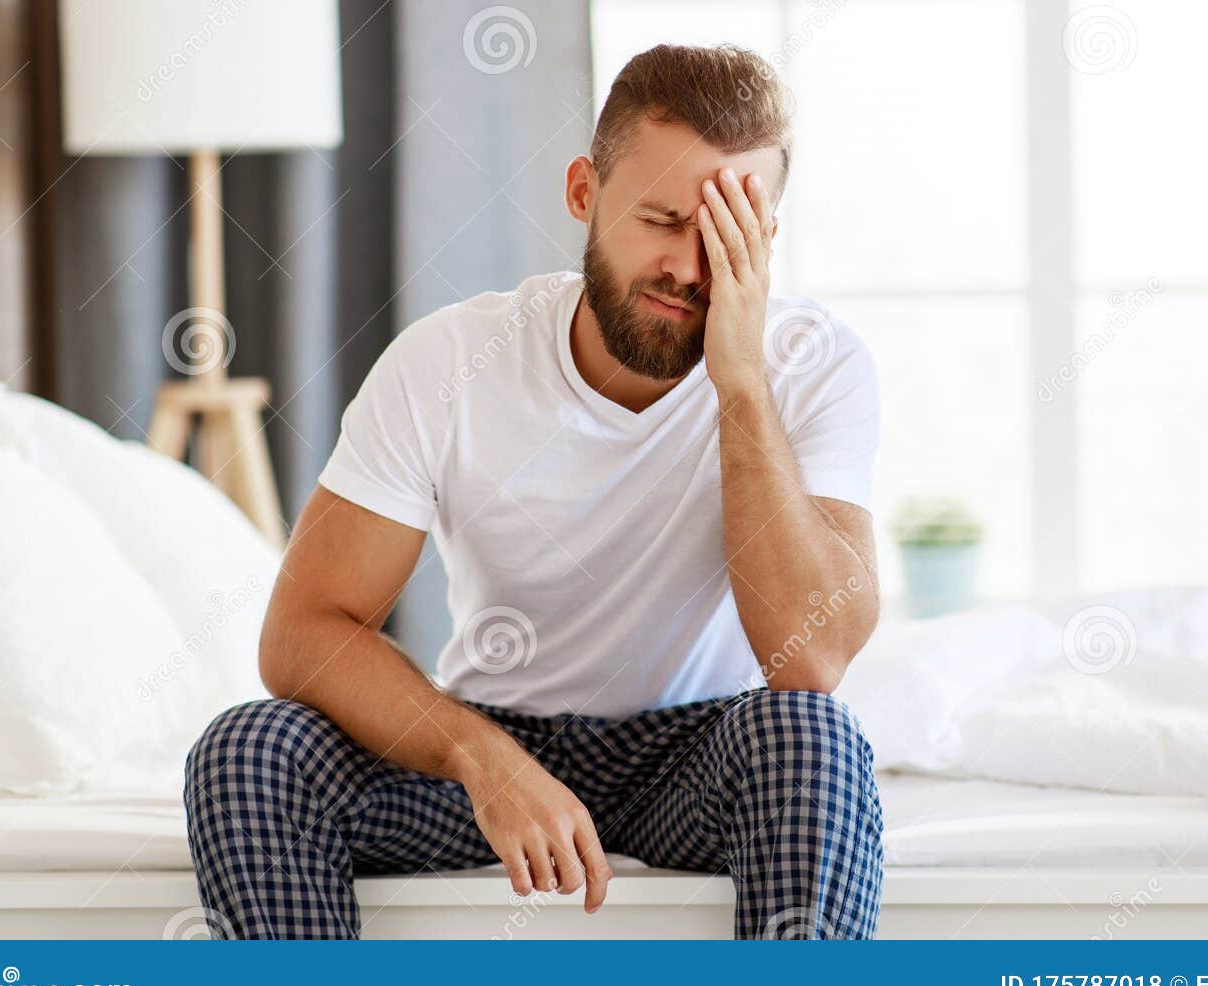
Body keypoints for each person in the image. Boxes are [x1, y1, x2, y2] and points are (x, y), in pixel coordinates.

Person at [185, 43, 884, 940]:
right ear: (584, 193)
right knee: (247, 752)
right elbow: (301, 635)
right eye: (662, 220)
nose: (688, 268)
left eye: (723, 237)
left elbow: (813, 660)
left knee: (816, 741)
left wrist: (740, 382)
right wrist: (483, 759)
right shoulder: (450, 360)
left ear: (765, 241)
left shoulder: (813, 366)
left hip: (700, 757)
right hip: (496, 737)